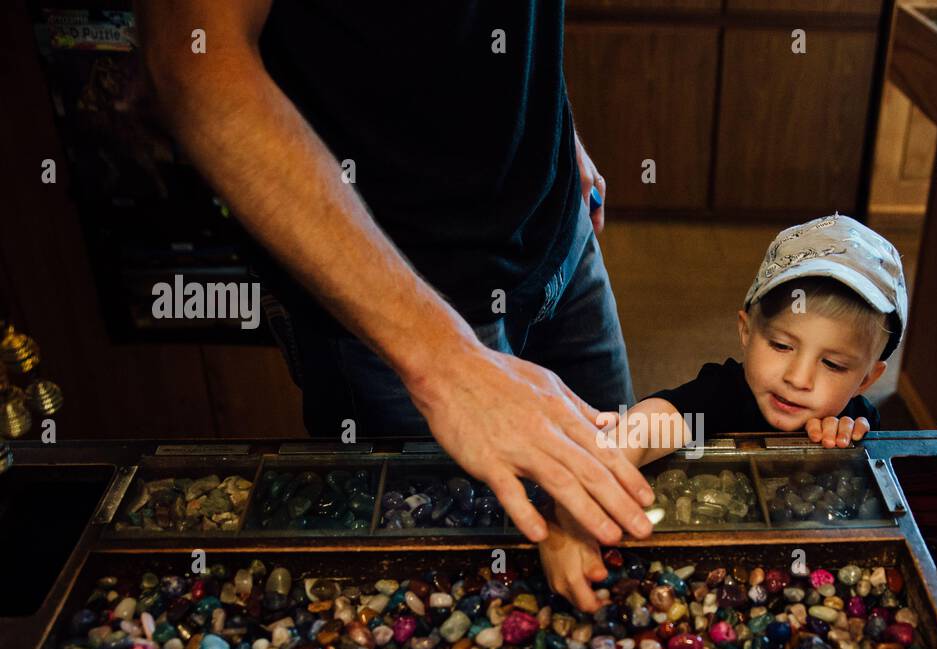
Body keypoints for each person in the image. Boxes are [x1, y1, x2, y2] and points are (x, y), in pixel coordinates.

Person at [136, 1, 654, 548]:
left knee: (615, 505)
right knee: (460, 567)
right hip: (401, 310)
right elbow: (192, 61)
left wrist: (546, 118)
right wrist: (444, 362)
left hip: (556, 231)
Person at [540, 213, 908, 610]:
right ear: (747, 332)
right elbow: (651, 427)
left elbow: (866, 491)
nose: (798, 378)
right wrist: (577, 507)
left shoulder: (858, 416)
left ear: (867, 379)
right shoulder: (722, 394)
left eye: (833, 365)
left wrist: (845, 440)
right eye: (782, 346)